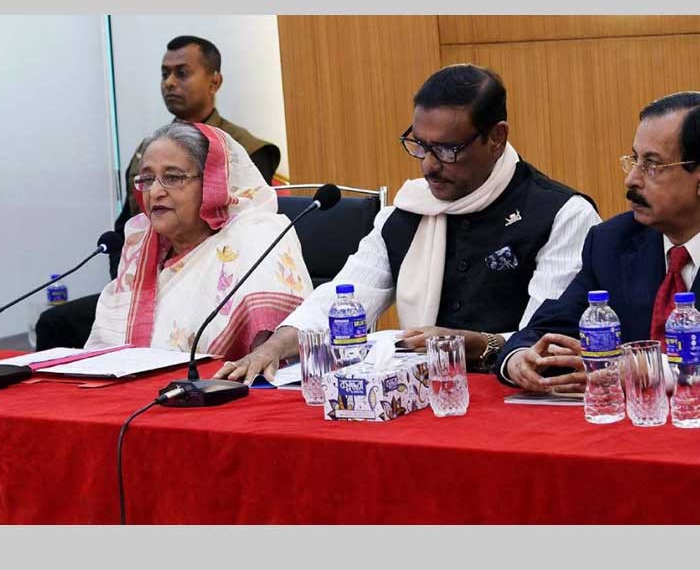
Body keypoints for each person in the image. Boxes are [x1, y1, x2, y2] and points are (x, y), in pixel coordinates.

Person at [216, 63, 601, 385]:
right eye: (420, 144)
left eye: (447, 149)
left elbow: (546, 338)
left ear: (497, 137)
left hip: (517, 399)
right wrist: (276, 345)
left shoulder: (562, 214)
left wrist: (477, 344)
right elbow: (344, 299)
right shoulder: (407, 211)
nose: (428, 165)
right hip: (419, 394)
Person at [36, 35, 281, 350]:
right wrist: (131, 290)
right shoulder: (150, 151)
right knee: (55, 322)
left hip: (214, 284)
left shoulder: (242, 150)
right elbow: (125, 229)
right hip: (150, 280)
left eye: (182, 73)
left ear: (214, 81)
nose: (169, 82)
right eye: (165, 74)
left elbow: (243, 231)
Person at [498, 92, 700, 393]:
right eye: (634, 160)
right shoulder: (612, 241)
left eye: (652, 164)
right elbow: (550, 327)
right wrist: (520, 358)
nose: (631, 179)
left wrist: (647, 369)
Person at [84, 121, 310, 358]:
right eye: (147, 179)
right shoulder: (140, 247)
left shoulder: (256, 235)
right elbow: (107, 354)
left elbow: (291, 339)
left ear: (213, 183)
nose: (155, 192)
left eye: (173, 177)